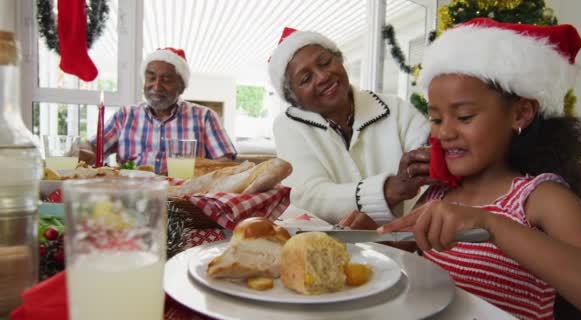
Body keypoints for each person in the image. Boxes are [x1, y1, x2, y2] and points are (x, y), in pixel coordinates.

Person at [378, 18, 581, 319]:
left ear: (520, 113)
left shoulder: (539, 198)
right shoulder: (438, 194)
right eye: (436, 119)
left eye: (464, 117)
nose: (444, 133)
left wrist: (493, 226)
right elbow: (406, 260)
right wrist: (370, 238)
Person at [269, 27, 432, 228]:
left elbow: (432, 175)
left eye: (325, 62)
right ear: (293, 98)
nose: (322, 77)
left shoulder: (397, 109)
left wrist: (403, 233)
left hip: (410, 241)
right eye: (305, 79)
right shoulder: (288, 126)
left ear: (339, 60)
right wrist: (390, 190)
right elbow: (307, 196)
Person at [80, 47, 236, 174]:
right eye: (151, 78)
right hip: (131, 194)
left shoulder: (205, 117)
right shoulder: (125, 116)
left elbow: (225, 164)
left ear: (181, 86)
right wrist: (84, 151)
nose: (156, 86)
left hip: (183, 198)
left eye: (166, 79)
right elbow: (93, 147)